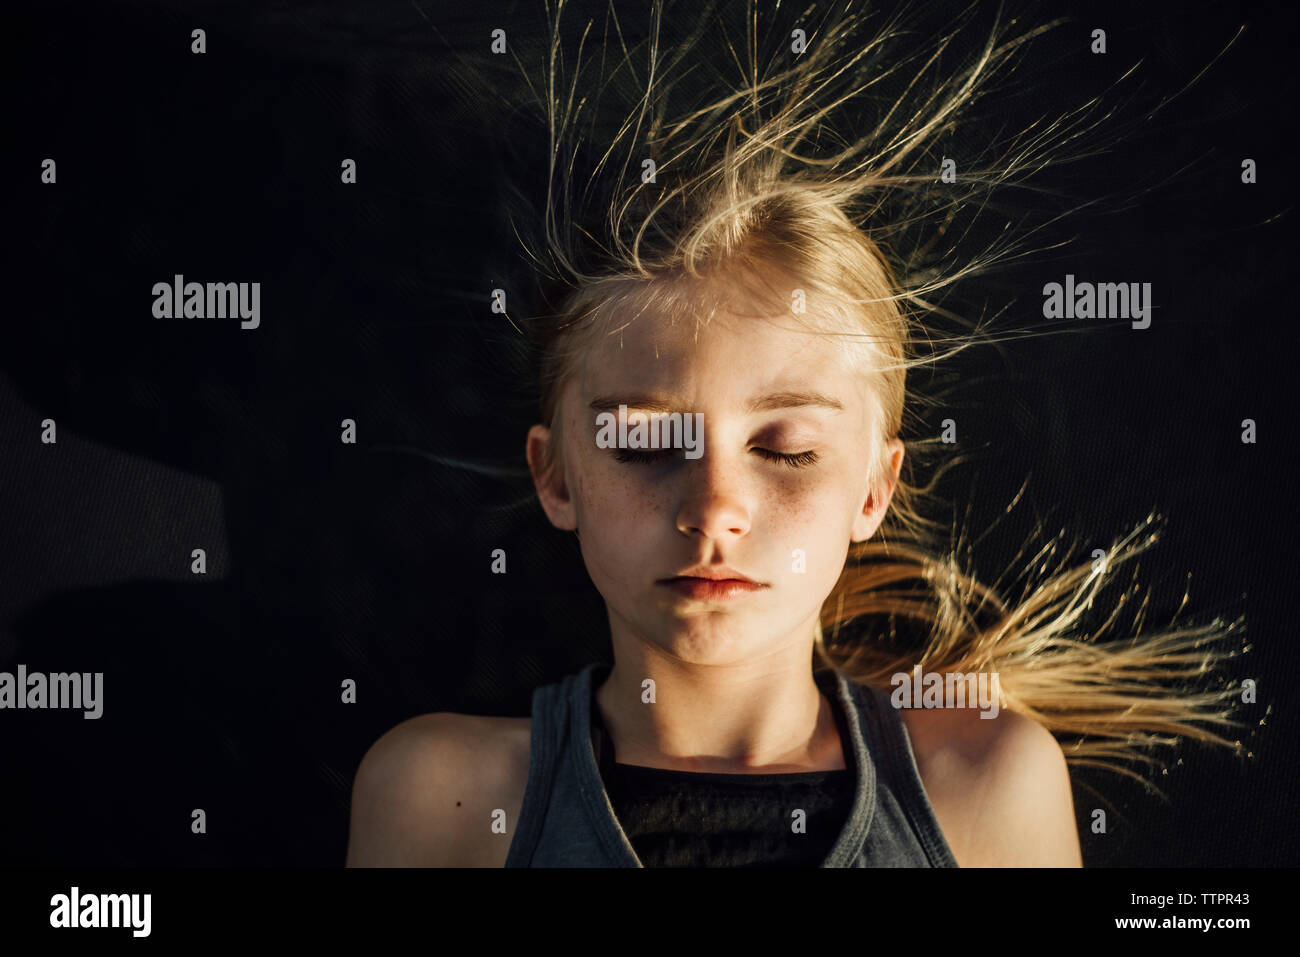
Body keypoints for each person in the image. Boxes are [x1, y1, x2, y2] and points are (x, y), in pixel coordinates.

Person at [346, 0, 1244, 867]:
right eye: (646, 443)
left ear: (872, 489)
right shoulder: (442, 795)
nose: (714, 509)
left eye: (785, 449)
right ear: (556, 478)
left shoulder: (986, 784)